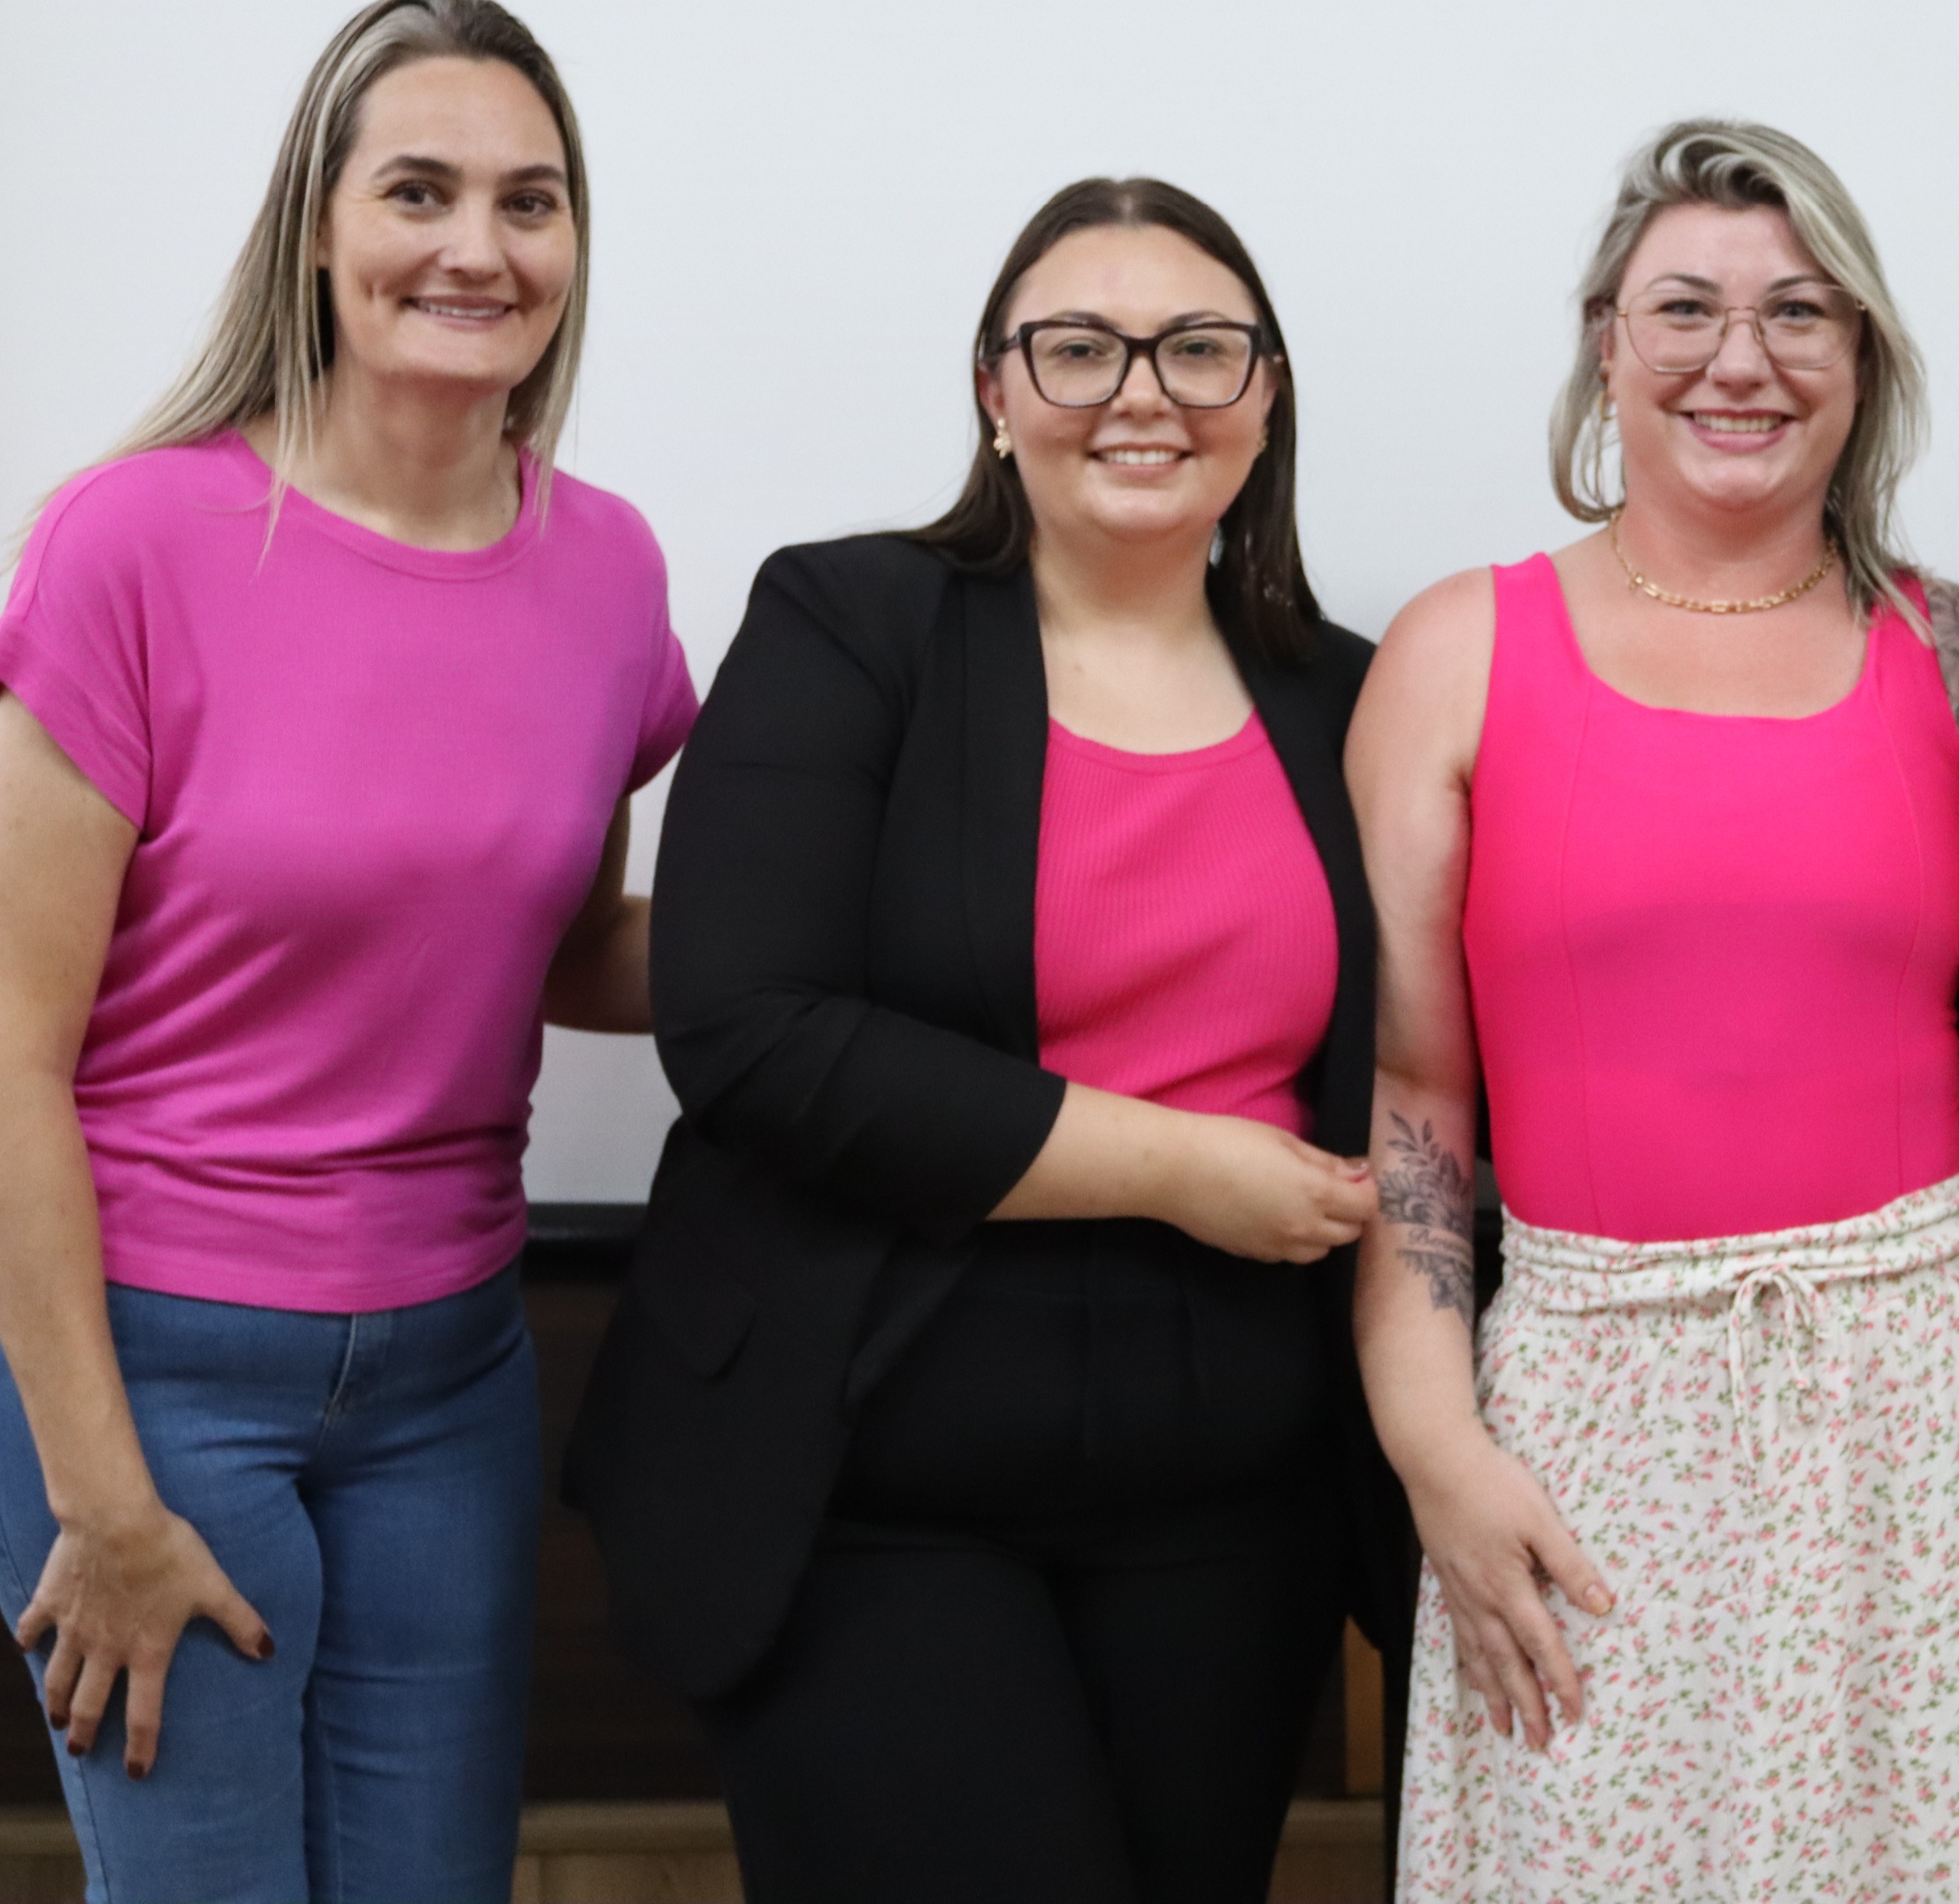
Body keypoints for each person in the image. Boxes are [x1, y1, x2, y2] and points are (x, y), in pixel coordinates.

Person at [0, 0, 698, 1903]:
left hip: (450, 1373)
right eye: (418, 190)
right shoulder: (134, 542)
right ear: (317, 227)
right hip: (145, 1362)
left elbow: (558, 945)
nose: (476, 247)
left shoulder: (607, 565)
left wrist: (875, 961)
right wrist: (103, 1497)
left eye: (529, 201)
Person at [565, 178, 1410, 1903]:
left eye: (1199, 349)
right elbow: (748, 1028)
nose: (1141, 392)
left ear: (1265, 395)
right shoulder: (850, 624)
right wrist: (1175, 1165)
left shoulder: (1354, 694)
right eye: (1079, 348)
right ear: (995, 391)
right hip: (868, 1471)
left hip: (1234, 1508)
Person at [1351, 120, 1959, 1901]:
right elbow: (1415, 1104)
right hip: (1586, 1407)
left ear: (1865, 357)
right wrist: (1438, 1450)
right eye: (1685, 307)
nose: (1740, 359)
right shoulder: (1458, 648)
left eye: (1799, 313)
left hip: (1935, 1409)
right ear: (1607, 341)